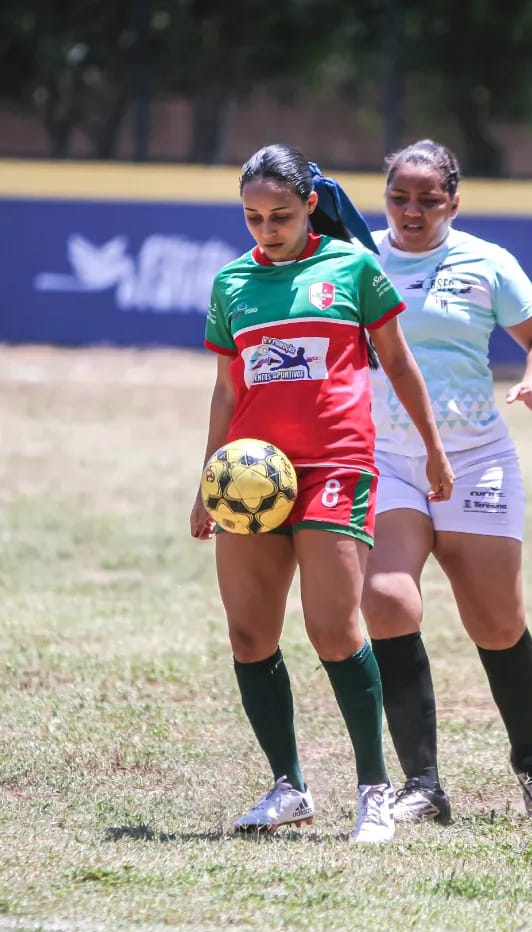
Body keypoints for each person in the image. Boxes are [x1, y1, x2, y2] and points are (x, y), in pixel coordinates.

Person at [190, 144, 454, 844]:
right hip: (250, 477)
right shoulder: (231, 284)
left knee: (335, 630)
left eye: (279, 214)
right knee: (250, 635)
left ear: (312, 204)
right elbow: (226, 389)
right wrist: (205, 480)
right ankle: (288, 787)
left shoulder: (353, 268)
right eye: (251, 217)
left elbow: (397, 362)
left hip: (336, 464)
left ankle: (373, 790)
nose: (265, 229)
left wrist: (432, 448)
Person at [361, 139, 532, 824]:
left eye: (428, 198)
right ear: (384, 196)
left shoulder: (486, 263)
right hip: (389, 457)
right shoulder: (358, 260)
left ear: (454, 200)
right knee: (388, 602)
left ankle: (531, 762)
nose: (412, 210)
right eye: (400, 197)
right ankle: (423, 784)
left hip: (476, 457)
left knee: (497, 622)